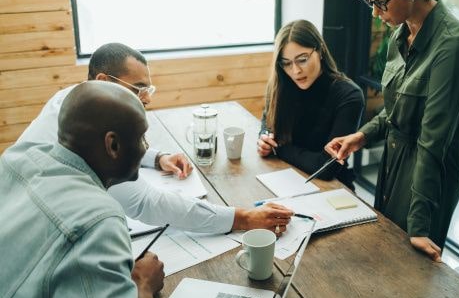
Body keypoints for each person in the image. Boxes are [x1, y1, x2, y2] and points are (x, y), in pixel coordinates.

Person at [17, 43, 293, 236]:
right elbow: (147, 203)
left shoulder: (71, 100)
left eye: (148, 88)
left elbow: (115, 147)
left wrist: (157, 157)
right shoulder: (91, 133)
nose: (147, 98)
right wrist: (243, 218)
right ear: (103, 79)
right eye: (138, 88)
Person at [325, 0, 459, 262]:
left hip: (429, 174)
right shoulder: (401, 34)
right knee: (383, 256)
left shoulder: (454, 47)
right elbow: (397, 110)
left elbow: (433, 141)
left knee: (409, 268)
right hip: (395, 161)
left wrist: (420, 225)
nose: (375, 13)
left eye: (380, 2)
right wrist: (361, 135)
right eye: (370, 3)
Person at [0, 81, 166, 298]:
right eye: (142, 137)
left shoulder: (18, 157)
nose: (146, 147)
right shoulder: (98, 223)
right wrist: (142, 288)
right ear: (113, 146)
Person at [257, 19, 364, 190]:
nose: (295, 71)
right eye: (286, 63)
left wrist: (279, 149)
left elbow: (327, 166)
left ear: (320, 50)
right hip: (284, 178)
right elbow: (267, 123)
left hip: (332, 189)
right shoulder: (280, 84)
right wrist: (264, 138)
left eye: (302, 59)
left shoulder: (349, 95)